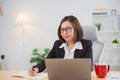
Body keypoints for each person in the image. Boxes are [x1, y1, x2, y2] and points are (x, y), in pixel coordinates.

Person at [28, 15, 93, 76]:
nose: (65, 33)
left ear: (76, 29)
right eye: (62, 30)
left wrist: (56, 70)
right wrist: (36, 69)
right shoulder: (58, 44)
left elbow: (88, 69)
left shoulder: (86, 44)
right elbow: (47, 61)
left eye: (68, 29)